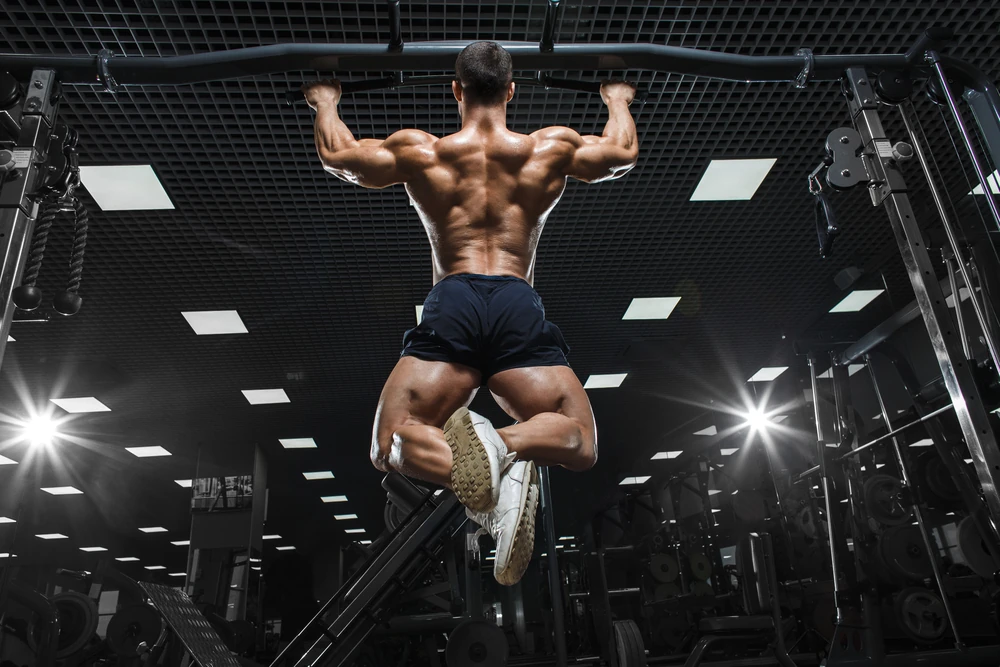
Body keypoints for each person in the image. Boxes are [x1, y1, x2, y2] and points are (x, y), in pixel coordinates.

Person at [303, 41, 637, 586]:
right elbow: (620, 155)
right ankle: (503, 450)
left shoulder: (421, 151)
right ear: (510, 90)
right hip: (516, 299)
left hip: (453, 299)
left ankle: (491, 462)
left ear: (455, 90)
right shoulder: (548, 149)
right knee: (581, 438)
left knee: (389, 443)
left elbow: (341, 160)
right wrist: (617, 98)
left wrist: (325, 101)